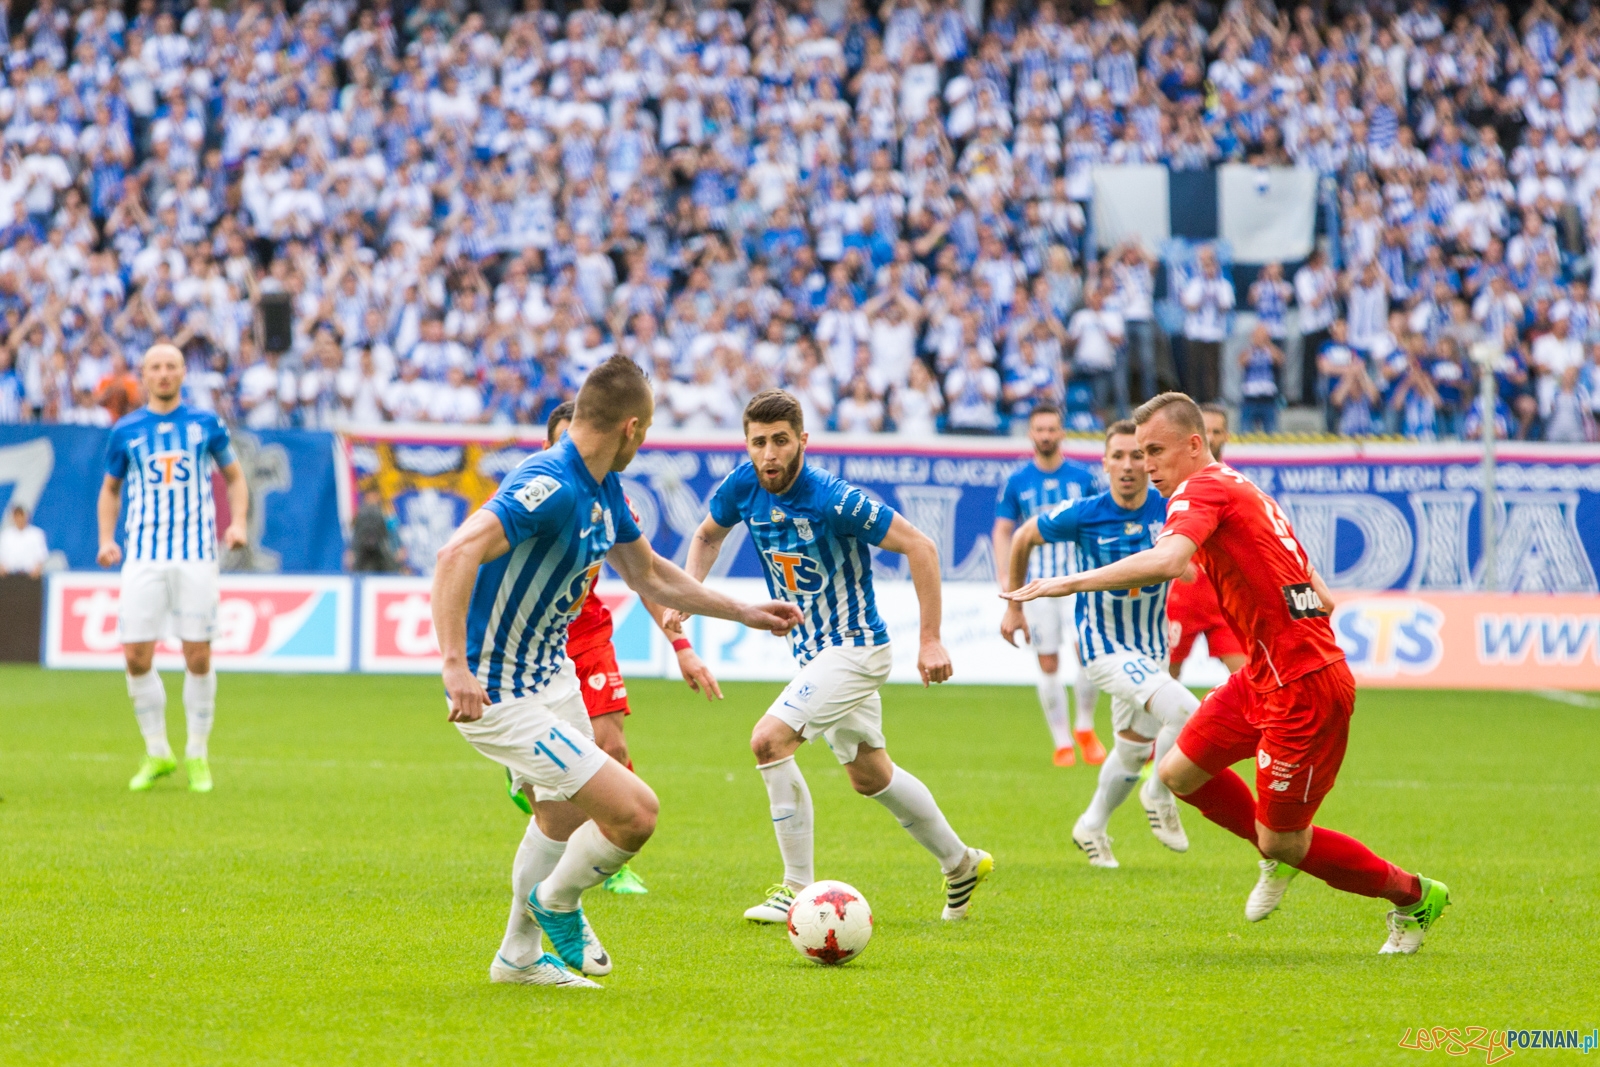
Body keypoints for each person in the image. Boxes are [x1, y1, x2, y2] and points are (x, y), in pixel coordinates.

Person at [1005, 393, 1450, 955]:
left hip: (1304, 687)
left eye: (1155, 451)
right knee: (1178, 773)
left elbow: (1170, 561)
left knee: (1284, 840)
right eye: (1139, 453)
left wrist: (1068, 582)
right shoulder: (1244, 488)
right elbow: (1324, 596)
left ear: (1195, 444)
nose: (1146, 465)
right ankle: (1275, 848)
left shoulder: (1199, 490)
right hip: (1263, 675)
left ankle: (1414, 897)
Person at [429, 357, 802, 989]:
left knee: (562, 817)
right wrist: (454, 666)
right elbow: (455, 552)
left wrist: (743, 612)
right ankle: (556, 901)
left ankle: (517, 958)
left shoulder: (603, 490)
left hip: (550, 676)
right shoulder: (549, 484)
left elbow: (649, 573)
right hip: (498, 692)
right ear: (631, 427)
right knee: (635, 813)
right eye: (647, 430)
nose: (645, 441)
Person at [675, 389, 992, 925]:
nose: (769, 454)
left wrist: (930, 639)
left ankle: (795, 889)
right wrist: (689, 591)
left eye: (780, 441)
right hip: (811, 654)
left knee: (768, 740)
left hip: (855, 647)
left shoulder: (834, 498)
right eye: (758, 442)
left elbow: (921, 546)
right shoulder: (742, 486)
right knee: (870, 775)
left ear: (803, 440)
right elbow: (707, 535)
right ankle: (960, 863)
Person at [528, 399, 723, 895]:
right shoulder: (529, 494)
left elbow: (647, 576)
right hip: (530, 643)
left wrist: (681, 646)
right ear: (548, 446)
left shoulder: (610, 500)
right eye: (564, 441)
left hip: (586, 633)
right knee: (544, 776)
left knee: (610, 745)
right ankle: (546, 821)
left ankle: (612, 854)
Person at [1001, 421, 1198, 868]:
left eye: (1137, 455)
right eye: (1118, 456)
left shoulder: (1171, 508)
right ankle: (1159, 792)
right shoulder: (1084, 513)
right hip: (1103, 647)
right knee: (1186, 712)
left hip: (1152, 650)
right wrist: (1014, 606)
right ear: (1105, 463)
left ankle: (1091, 825)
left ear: (1150, 462)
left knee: (1131, 749)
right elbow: (1023, 535)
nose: (1128, 465)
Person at [95, 343, 249, 794]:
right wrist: (106, 539)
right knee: (135, 656)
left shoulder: (205, 424)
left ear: (183, 373)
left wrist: (238, 523)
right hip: (143, 555)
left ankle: (197, 753)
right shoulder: (126, 431)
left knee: (197, 655)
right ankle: (158, 750)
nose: (163, 373)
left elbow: (235, 477)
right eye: (155, 367)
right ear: (143, 376)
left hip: (196, 555)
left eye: (171, 366)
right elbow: (110, 489)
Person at [992, 401, 1103, 767]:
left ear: (1062, 433)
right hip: (1037, 587)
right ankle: (1062, 742)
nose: (1045, 435)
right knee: (1048, 661)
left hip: (1077, 581)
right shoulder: (1017, 481)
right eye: (1039, 429)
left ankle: (1084, 727)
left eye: (1051, 429)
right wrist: (1005, 575)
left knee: (1086, 653)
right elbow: (1003, 530)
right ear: (1030, 434)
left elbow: (1099, 523)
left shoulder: (1083, 478)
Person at [1166, 404, 1247, 680]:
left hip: (1222, 600)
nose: (1210, 437)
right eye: (1205, 431)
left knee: (1248, 680)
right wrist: (1174, 559)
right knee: (1165, 679)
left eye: (1216, 431)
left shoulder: (1235, 484)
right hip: (1185, 596)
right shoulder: (1177, 482)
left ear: (1227, 436)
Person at [0, 503, 49, 577]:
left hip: (31, 576)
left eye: (21, 515)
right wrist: (2, 567)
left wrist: (38, 568)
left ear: (26, 516)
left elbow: (42, 554)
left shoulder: (36, 534)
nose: (19, 519)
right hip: (9, 575)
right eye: (16, 516)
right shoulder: (5, 535)